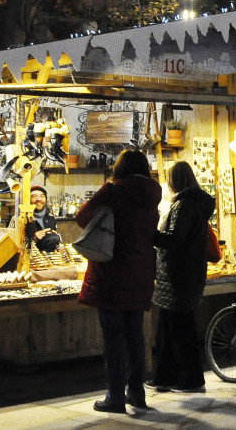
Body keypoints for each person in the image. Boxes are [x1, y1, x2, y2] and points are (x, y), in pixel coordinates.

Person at [76, 149, 162, 413]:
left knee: (113, 338)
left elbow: (82, 217)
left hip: (112, 273)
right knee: (135, 335)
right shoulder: (152, 195)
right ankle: (136, 392)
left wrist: (106, 192)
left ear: (119, 168)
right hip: (140, 273)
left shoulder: (114, 191)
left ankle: (115, 395)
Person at [148, 161, 215, 394]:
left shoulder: (186, 205)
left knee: (180, 328)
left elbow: (176, 240)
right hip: (179, 275)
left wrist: (152, 235)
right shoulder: (190, 204)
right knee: (168, 328)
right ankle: (164, 377)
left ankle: (191, 379)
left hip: (180, 275)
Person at [24, 186, 62, 252]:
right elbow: (13, 242)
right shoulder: (21, 218)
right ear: (28, 200)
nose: (39, 199)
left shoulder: (51, 218)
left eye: (42, 196)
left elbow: (54, 241)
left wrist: (57, 237)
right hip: (28, 257)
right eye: (34, 196)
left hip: (48, 259)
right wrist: (33, 238)